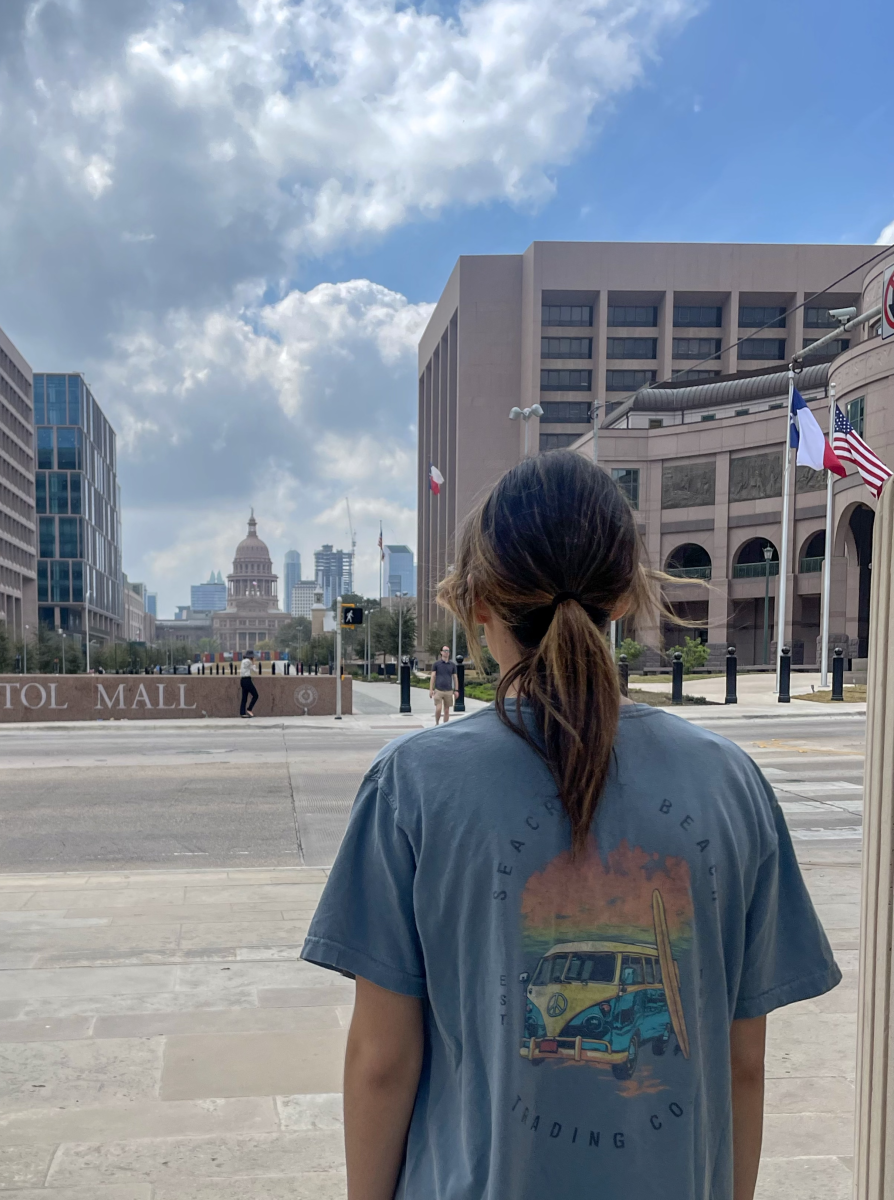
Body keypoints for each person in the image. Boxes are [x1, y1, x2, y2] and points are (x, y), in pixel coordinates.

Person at [301, 452, 839, 1200]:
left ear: (478, 603)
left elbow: (382, 1060)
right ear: (622, 598)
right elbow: (740, 1063)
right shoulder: (728, 782)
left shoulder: (411, 787)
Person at [429, 644, 457, 725]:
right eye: (445, 651)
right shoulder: (436, 664)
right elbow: (433, 676)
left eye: (448, 651)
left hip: (448, 690)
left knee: (447, 710)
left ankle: (445, 725)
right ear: (441, 652)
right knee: (439, 708)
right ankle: (437, 723)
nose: (446, 652)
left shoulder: (452, 665)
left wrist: (456, 690)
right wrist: (431, 689)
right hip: (438, 689)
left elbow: (455, 678)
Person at [239, 652, 258, 718]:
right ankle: (249, 709)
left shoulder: (243, 661)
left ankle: (242, 713)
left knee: (244, 698)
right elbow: (255, 670)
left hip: (242, 680)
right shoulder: (249, 661)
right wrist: (254, 663)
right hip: (247, 680)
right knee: (255, 695)